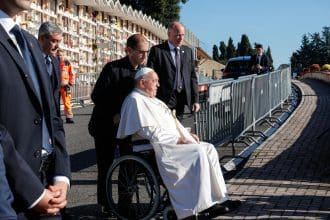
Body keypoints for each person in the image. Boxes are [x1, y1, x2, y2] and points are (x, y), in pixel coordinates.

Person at [117, 67, 241, 220]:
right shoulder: (134, 100)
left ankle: (218, 199)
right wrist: (177, 139)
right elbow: (147, 132)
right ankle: (199, 206)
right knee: (198, 152)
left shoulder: (152, 100)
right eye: (155, 81)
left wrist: (187, 135)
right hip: (157, 146)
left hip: (168, 142)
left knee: (208, 148)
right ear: (143, 83)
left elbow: (172, 123)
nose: (158, 85)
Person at [0, 1, 70, 219]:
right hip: (12, 194)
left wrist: (61, 176)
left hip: (50, 189)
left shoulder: (30, 43)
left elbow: (52, 115)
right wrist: (33, 193)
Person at [88, 33, 149, 212]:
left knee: (128, 164)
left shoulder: (143, 71)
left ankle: (125, 203)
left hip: (127, 127)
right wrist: (115, 113)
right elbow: (97, 95)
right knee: (105, 166)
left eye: (146, 52)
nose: (144, 56)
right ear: (129, 50)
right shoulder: (112, 69)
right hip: (105, 126)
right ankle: (105, 204)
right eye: (141, 52)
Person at [147, 21, 200, 120]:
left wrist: (195, 100)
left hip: (181, 98)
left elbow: (192, 77)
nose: (181, 38)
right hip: (163, 99)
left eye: (182, 35)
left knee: (178, 128)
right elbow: (151, 75)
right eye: (177, 35)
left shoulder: (188, 52)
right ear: (169, 34)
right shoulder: (157, 51)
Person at [38, 22, 62, 117]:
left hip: (52, 117)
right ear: (42, 39)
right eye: (54, 41)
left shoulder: (55, 62)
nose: (57, 46)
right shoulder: (29, 59)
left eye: (59, 41)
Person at [56, 49, 75, 123]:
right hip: (56, 87)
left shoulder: (67, 64)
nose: (59, 57)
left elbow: (72, 74)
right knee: (55, 103)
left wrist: (70, 83)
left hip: (65, 86)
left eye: (60, 55)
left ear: (63, 55)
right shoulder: (53, 62)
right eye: (58, 55)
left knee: (67, 102)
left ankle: (69, 117)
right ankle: (57, 118)